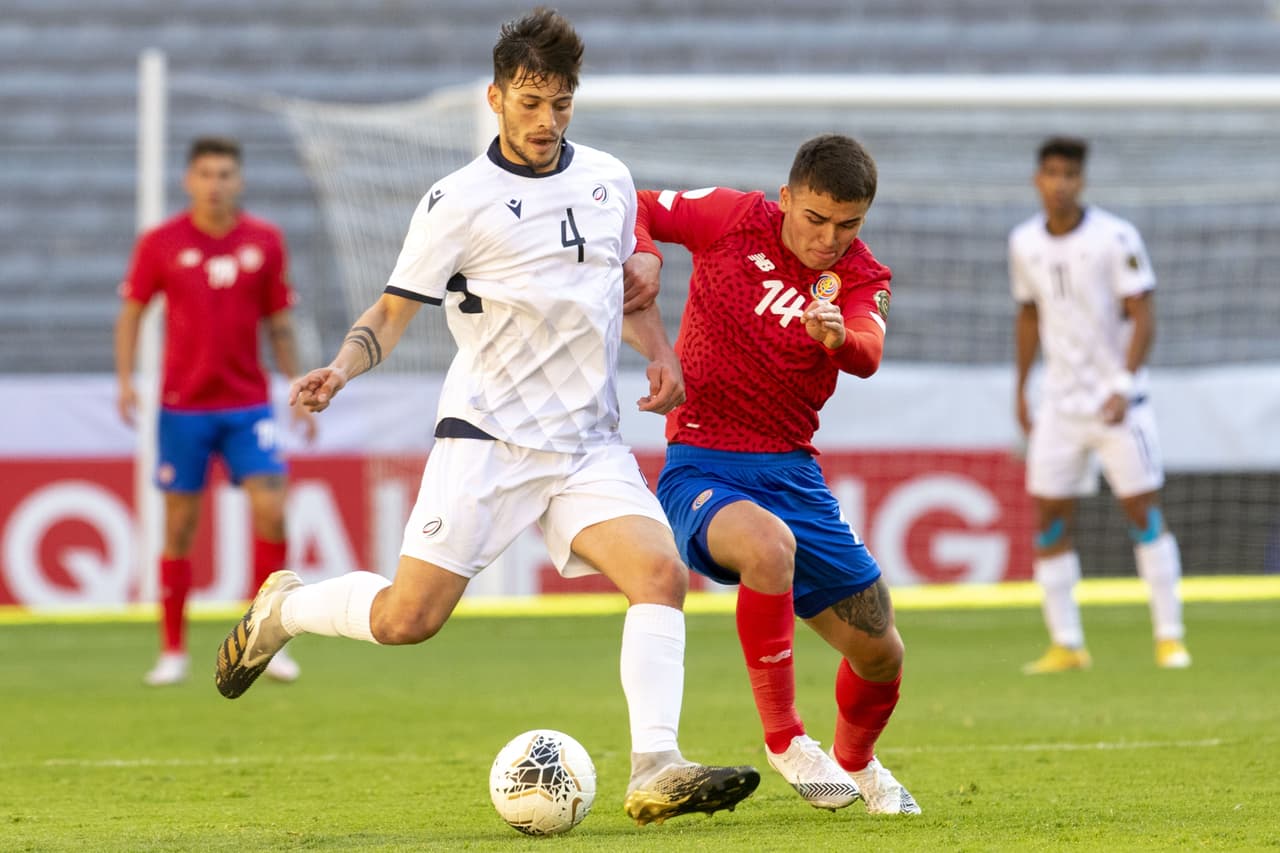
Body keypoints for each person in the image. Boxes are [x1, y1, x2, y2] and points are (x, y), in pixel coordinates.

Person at [213, 7, 759, 826]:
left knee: (660, 574)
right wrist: (341, 366)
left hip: (585, 442)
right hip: (489, 439)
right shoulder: (457, 202)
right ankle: (286, 606)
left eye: (561, 104)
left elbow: (622, 286)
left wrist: (658, 351)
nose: (547, 121)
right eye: (531, 102)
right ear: (498, 97)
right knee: (408, 619)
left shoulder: (607, 178)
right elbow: (393, 313)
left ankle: (656, 765)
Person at [624, 133, 921, 815]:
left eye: (847, 225)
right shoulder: (732, 218)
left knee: (882, 651)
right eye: (814, 219)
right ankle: (786, 739)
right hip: (703, 462)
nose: (828, 239)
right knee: (766, 547)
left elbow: (870, 350)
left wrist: (840, 339)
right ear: (785, 199)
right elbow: (634, 205)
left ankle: (856, 761)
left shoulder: (860, 277)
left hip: (794, 471)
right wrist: (645, 251)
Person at [116, 135, 314, 687]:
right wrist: (126, 379)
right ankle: (172, 649)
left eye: (225, 174)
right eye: (206, 173)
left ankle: (268, 641)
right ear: (189, 181)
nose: (215, 183)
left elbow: (278, 320)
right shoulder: (160, 242)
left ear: (239, 181)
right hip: (183, 407)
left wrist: (297, 385)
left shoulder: (265, 242)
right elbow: (132, 312)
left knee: (272, 512)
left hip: (248, 404)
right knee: (179, 527)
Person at [1010, 136, 1190, 673]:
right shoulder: (1023, 242)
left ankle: (1169, 636)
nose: (1060, 183)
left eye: (1069, 174)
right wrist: (1022, 386)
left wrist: (1122, 383)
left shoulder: (1115, 237)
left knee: (1142, 510)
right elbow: (1028, 316)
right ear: (1037, 179)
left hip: (1118, 404)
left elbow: (1143, 314)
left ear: (1081, 181)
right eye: (1051, 173)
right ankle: (1067, 643)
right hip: (1059, 405)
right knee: (1048, 516)